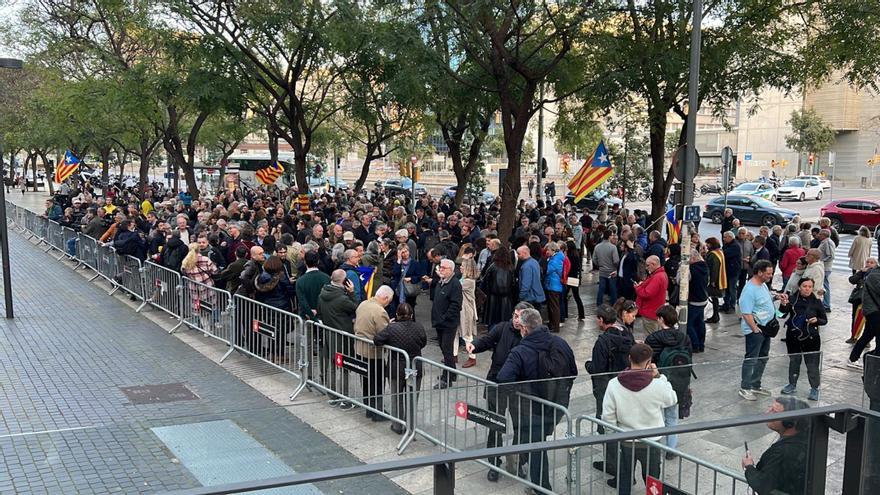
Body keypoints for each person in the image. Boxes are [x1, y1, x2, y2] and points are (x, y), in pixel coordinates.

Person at [497, 308, 577, 492]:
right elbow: (573, 371)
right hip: (557, 405)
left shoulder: (520, 351)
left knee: (536, 445)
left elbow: (503, 378)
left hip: (532, 408)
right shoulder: (561, 343)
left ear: (524, 328)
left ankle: (541, 487)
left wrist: (518, 390)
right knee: (538, 441)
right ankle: (538, 483)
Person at [466, 302, 532, 481]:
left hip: (520, 389)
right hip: (497, 384)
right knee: (495, 425)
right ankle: (494, 463)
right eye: (515, 315)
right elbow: (487, 339)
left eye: (521, 316)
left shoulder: (530, 334)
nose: (517, 320)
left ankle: (519, 460)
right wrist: (475, 345)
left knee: (520, 426)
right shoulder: (503, 328)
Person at [602, 343, 677, 494]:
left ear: (629, 358)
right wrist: (659, 376)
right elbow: (672, 399)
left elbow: (607, 415)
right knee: (652, 480)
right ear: (649, 363)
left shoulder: (614, 384)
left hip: (626, 439)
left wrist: (612, 436)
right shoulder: (657, 385)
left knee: (624, 477)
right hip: (652, 440)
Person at [586, 303, 635, 476]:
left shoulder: (603, 341)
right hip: (626, 386)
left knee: (606, 425)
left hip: (606, 389)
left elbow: (598, 369)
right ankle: (622, 462)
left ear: (601, 320)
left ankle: (613, 464)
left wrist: (588, 365)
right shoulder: (627, 334)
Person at [645, 304, 692, 455]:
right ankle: (671, 448)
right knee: (672, 416)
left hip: (658, 380)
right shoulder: (684, 337)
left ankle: (655, 447)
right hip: (679, 380)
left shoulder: (653, 338)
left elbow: (648, 361)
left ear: (661, 319)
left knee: (656, 414)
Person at [374, 303, 427, 434]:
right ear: (412, 315)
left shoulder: (392, 328)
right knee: (413, 398)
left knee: (396, 398)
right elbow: (423, 342)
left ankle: (397, 426)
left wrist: (389, 327)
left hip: (396, 368)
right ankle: (411, 427)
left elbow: (377, 340)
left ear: (397, 315)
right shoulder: (419, 327)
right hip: (415, 368)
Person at [739, 259, 787, 401]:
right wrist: (754, 328)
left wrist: (777, 297)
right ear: (759, 272)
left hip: (766, 329)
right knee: (751, 359)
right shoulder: (749, 290)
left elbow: (765, 300)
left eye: (771, 273)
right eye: (768, 273)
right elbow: (746, 312)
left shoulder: (763, 285)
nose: (770, 276)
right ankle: (745, 387)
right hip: (756, 331)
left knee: (763, 357)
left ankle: (755, 384)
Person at [742, 397, 810, 495]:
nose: (767, 413)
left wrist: (748, 467)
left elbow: (763, 484)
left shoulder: (782, 452)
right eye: (770, 408)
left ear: (789, 422)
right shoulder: (806, 437)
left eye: (774, 412)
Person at [778, 277, 827, 401]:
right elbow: (780, 314)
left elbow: (824, 320)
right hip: (793, 336)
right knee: (794, 361)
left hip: (811, 337)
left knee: (812, 364)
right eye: (805, 286)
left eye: (810, 286)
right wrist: (783, 305)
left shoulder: (816, 302)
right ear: (799, 287)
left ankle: (814, 388)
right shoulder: (792, 300)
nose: (807, 289)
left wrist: (817, 320)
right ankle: (792, 384)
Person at [317, 269, 358, 411]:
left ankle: (332, 395)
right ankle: (345, 397)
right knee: (345, 367)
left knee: (332, 366)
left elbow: (320, 312)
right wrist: (352, 293)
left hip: (329, 334)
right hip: (343, 336)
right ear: (344, 281)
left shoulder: (323, 293)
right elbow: (356, 307)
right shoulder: (343, 299)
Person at [354, 285, 393, 421]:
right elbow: (384, 334)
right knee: (376, 383)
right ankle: (377, 411)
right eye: (389, 301)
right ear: (386, 298)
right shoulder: (380, 311)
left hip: (359, 349)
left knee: (365, 381)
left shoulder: (363, 304)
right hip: (373, 352)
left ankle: (369, 408)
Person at [432, 258, 463, 388]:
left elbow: (456, 305)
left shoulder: (455, 284)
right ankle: (452, 372)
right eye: (440, 267)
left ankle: (447, 378)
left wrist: (445, 318)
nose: (441, 270)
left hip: (448, 324)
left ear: (451, 270)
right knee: (444, 349)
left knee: (447, 350)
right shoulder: (442, 281)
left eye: (444, 268)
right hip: (439, 322)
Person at [848, 262, 880, 369]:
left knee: (867, 336)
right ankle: (872, 359)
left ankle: (853, 358)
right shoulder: (875, 275)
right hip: (873, 311)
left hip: (873, 310)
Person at [847, 258, 878, 346]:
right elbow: (852, 280)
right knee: (855, 318)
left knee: (868, 321)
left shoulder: (875, 274)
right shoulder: (862, 272)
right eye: (867, 262)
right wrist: (861, 272)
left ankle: (866, 340)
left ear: (875, 265)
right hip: (858, 299)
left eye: (871, 263)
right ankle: (853, 336)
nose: (869, 264)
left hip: (869, 301)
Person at [481, 248, 516, 328]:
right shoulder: (511, 268)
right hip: (506, 298)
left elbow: (485, 281)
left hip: (492, 298)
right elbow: (513, 284)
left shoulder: (492, 266)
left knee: (492, 321)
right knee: (504, 321)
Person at [634, 255, 668, 335]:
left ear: (653, 264)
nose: (646, 268)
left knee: (650, 337)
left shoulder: (657, 277)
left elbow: (647, 294)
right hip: (655, 311)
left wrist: (637, 287)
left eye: (647, 265)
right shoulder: (661, 274)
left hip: (650, 312)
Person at [456, 258, 479, 368]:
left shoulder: (469, 281)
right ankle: (454, 355)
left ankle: (472, 357)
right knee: (455, 332)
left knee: (467, 334)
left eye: (463, 266)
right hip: (461, 309)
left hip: (466, 310)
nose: (460, 267)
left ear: (468, 269)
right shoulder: (463, 279)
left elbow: (455, 287)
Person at [295, 250, 330, 322]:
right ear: (318, 261)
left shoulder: (300, 281)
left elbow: (302, 301)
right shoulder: (326, 278)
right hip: (324, 316)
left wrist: (310, 313)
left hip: (308, 318)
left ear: (305, 262)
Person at [687, 249, 709, 352]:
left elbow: (680, 280)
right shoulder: (704, 266)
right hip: (703, 298)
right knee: (700, 322)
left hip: (694, 300)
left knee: (689, 324)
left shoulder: (691, 269)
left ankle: (695, 345)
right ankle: (701, 344)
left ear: (693, 258)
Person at [592, 230, 620, 306]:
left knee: (601, 288)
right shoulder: (613, 247)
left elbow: (594, 259)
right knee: (613, 289)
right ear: (609, 236)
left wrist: (599, 265)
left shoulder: (597, 246)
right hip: (612, 271)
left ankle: (599, 303)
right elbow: (616, 261)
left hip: (602, 271)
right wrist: (616, 267)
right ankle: (613, 304)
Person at [544, 242, 564, 332]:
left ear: (553, 250)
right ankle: (552, 324)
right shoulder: (556, 257)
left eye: (548, 250)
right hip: (552, 285)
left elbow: (548, 270)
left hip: (553, 286)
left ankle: (555, 327)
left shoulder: (556, 259)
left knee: (554, 307)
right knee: (552, 306)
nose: (546, 252)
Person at [721, 231, 742, 313]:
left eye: (725, 237)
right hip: (727, 270)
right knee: (726, 289)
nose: (724, 239)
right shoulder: (727, 244)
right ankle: (726, 304)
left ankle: (732, 306)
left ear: (730, 237)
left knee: (732, 289)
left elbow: (725, 254)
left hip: (733, 271)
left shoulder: (735, 246)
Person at [565, 239, 585, 320]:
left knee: (564, 296)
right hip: (575, 278)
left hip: (569, 278)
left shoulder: (568, 256)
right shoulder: (576, 255)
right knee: (577, 296)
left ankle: (565, 314)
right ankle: (581, 314)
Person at [817, 229, 835, 311]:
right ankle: (825, 303)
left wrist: (821, 261)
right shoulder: (824, 242)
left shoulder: (827, 242)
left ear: (824, 235)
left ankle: (827, 305)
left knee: (825, 286)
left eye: (820, 234)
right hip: (823, 267)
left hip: (825, 267)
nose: (818, 235)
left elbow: (830, 255)